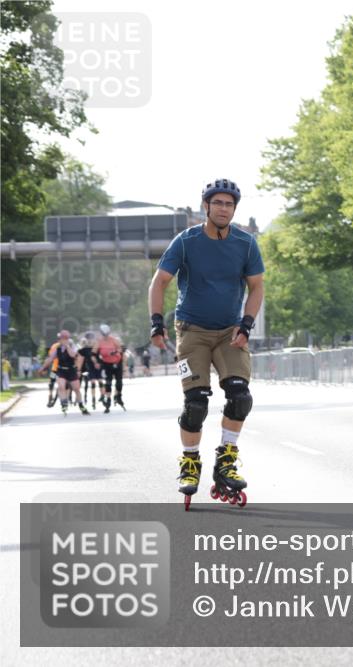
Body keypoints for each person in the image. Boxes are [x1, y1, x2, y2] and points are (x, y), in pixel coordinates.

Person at [148, 178, 264, 507]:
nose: (224, 209)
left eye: (229, 204)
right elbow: (160, 282)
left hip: (230, 332)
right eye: (218, 203)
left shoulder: (246, 243)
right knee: (196, 403)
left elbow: (256, 286)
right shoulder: (186, 241)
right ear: (206, 206)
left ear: (234, 209)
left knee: (240, 398)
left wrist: (246, 325)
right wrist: (156, 322)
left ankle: (226, 461)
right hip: (192, 331)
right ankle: (189, 463)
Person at [39, 330, 90, 415]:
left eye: (61, 339)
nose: (59, 340)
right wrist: (42, 368)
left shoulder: (73, 346)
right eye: (59, 339)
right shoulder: (57, 348)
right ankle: (63, 403)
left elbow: (73, 355)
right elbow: (50, 359)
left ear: (66, 339)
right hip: (60, 370)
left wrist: (67, 346)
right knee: (61, 386)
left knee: (76, 389)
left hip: (71, 370)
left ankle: (81, 405)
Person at [96, 323, 126, 413]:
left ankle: (118, 396)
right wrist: (97, 361)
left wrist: (116, 352)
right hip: (107, 364)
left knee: (119, 382)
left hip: (117, 363)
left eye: (107, 334)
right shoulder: (99, 342)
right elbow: (94, 353)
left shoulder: (114, 340)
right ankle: (108, 399)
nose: (106, 336)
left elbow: (122, 350)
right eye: (104, 334)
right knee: (108, 382)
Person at [77, 331, 100, 410]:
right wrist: (78, 369)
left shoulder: (95, 348)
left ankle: (88, 397)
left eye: (91, 338)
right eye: (88, 339)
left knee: (89, 383)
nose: (89, 340)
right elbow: (78, 359)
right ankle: (84, 398)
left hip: (91, 369)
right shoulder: (82, 350)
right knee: (81, 383)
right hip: (84, 369)